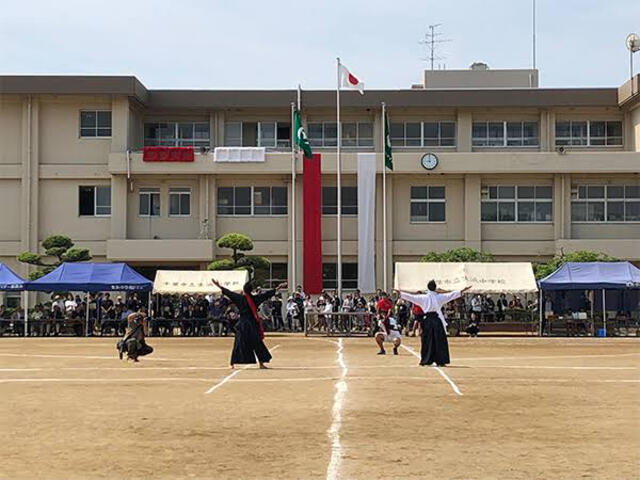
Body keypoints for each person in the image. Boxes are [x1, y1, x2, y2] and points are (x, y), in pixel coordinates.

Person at [212, 278, 287, 369]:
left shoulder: (239, 298)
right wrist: (278, 287)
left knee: (238, 343)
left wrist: (218, 285)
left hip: (243, 324)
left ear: (244, 290)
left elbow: (229, 293)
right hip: (252, 324)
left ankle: (232, 363)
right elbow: (267, 295)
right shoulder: (255, 299)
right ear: (252, 290)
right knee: (257, 344)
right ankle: (261, 363)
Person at [395, 281, 472, 367]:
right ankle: (441, 360)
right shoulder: (439, 297)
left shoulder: (423, 298)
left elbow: (411, 297)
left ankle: (426, 360)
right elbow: (451, 295)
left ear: (428, 288)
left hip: (427, 320)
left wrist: (400, 293)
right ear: (435, 288)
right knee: (439, 340)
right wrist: (462, 290)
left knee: (427, 340)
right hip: (436, 320)